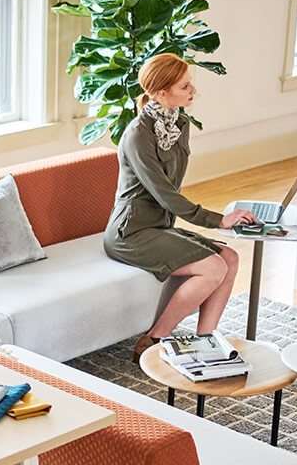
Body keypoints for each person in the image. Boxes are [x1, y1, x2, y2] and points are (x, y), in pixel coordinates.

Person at [103, 53, 257, 363]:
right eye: (185, 86)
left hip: (159, 227)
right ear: (161, 93)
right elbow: (164, 193)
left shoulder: (179, 124)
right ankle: (153, 339)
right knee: (213, 266)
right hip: (130, 233)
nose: (193, 91)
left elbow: (173, 188)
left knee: (230, 257)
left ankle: (205, 343)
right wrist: (218, 220)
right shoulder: (137, 135)